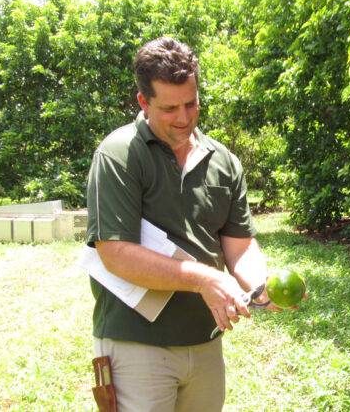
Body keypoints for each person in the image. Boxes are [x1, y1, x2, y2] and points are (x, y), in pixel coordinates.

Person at [85, 37, 281, 411]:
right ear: (143, 102)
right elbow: (115, 254)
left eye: (191, 103)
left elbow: (239, 246)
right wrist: (203, 278)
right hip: (136, 343)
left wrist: (259, 285)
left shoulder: (223, 160)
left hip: (205, 340)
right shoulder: (119, 154)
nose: (184, 117)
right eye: (169, 107)